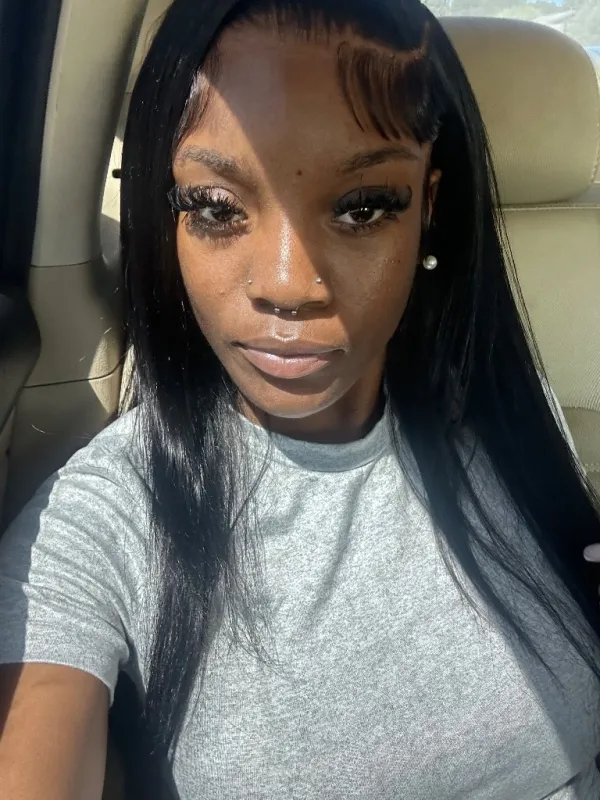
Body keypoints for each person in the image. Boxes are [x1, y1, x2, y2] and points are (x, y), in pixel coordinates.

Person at [1, 0, 600, 798]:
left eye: (364, 206)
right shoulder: (99, 524)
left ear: (428, 209)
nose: (289, 284)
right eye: (216, 209)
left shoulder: (513, 423)